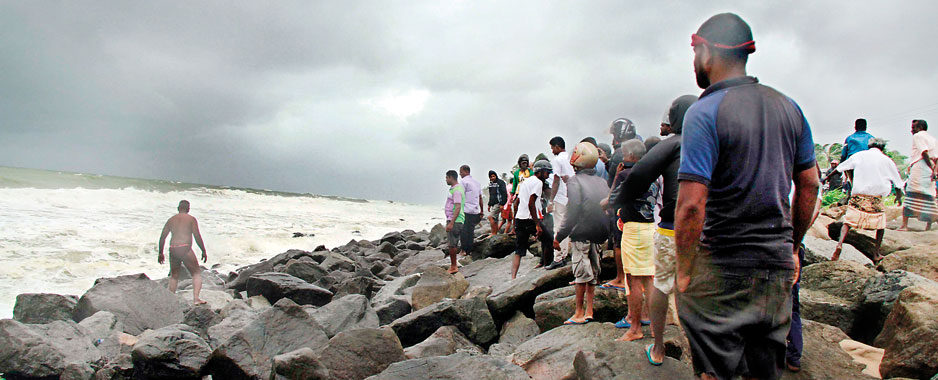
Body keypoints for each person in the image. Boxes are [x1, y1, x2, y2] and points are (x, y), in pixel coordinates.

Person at [676, 13, 818, 379]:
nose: (694, 62)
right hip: (775, 264)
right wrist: (793, 246)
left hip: (722, 263)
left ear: (706, 53)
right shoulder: (790, 108)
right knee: (764, 367)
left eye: (695, 53)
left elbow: (692, 205)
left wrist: (685, 269)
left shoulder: (704, 112)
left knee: (714, 369)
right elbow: (810, 185)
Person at [616, 94, 696, 365]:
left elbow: (638, 176)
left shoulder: (672, 144)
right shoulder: (713, 142)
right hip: (705, 231)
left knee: (658, 284)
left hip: (672, 227)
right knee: (696, 291)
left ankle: (657, 345)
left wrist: (613, 199)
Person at [554, 142, 610, 325]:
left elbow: (572, 213)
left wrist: (559, 236)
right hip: (600, 232)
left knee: (580, 273)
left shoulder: (574, 181)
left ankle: (579, 312)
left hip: (582, 233)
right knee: (593, 272)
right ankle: (590, 310)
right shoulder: (602, 181)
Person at [609, 139, 658, 342]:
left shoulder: (625, 174)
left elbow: (613, 200)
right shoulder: (654, 172)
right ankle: (655, 326)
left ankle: (635, 327)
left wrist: (615, 179)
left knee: (634, 280)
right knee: (650, 279)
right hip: (651, 228)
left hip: (633, 230)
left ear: (628, 156)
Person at [832, 138, 903, 262]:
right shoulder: (887, 160)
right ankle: (876, 253)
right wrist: (898, 196)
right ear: (882, 148)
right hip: (876, 197)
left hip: (859, 195)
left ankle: (839, 244)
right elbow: (897, 182)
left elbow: (840, 168)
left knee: (848, 221)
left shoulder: (859, 155)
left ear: (869, 146)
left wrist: (826, 178)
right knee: (880, 225)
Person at [158, 200, 208, 305]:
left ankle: (170, 300)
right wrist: (203, 250)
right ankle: (196, 299)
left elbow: (163, 237)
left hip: (173, 248)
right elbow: (197, 236)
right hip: (185, 248)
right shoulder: (191, 219)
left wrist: (160, 253)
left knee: (174, 276)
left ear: (178, 208)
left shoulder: (171, 220)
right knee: (196, 273)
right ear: (188, 209)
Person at [511, 160, 553, 279]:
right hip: (530, 218)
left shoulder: (525, 181)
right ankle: (546, 267)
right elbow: (531, 204)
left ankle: (513, 277)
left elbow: (517, 202)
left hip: (520, 218)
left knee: (519, 250)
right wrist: (537, 224)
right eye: (547, 173)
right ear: (541, 172)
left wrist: (515, 223)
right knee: (548, 240)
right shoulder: (537, 183)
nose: (548, 175)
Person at [900, 119, 938, 231]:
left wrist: (930, 166)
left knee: (911, 194)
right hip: (930, 169)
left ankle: (905, 225)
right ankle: (928, 226)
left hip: (920, 167)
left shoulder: (918, 136)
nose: (912, 131)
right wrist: (934, 170)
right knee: (929, 195)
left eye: (914, 128)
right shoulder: (933, 139)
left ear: (920, 127)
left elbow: (924, 153)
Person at [546, 136, 575, 269]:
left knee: (558, 227)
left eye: (552, 148)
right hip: (573, 196)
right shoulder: (571, 158)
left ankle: (559, 258)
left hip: (561, 197)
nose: (552, 151)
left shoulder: (557, 160)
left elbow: (556, 180)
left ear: (557, 147)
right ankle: (567, 253)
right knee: (570, 225)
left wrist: (551, 200)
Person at [443, 170, 465, 274]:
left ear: (451, 177)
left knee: (452, 244)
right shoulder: (455, 189)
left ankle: (453, 266)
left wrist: (451, 222)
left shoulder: (456, 190)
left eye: (447, 177)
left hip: (455, 219)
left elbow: (458, 207)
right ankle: (454, 264)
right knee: (453, 243)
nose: (446, 180)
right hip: (455, 219)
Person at [458, 165, 483, 255]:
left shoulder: (463, 182)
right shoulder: (477, 183)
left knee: (464, 230)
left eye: (460, 172)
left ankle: (463, 250)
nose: (460, 174)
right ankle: (469, 250)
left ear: (465, 171)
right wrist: (482, 210)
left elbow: (460, 196)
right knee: (471, 230)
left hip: (465, 209)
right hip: (474, 210)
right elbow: (480, 197)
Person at [486, 170, 509, 237]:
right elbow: (491, 195)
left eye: (493, 176)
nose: (492, 178)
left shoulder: (501, 183)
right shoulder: (491, 184)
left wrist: (502, 204)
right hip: (493, 203)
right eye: (491, 177)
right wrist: (489, 204)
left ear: (496, 176)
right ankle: (495, 233)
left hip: (499, 203)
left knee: (490, 217)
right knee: (495, 219)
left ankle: (493, 233)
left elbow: (504, 193)